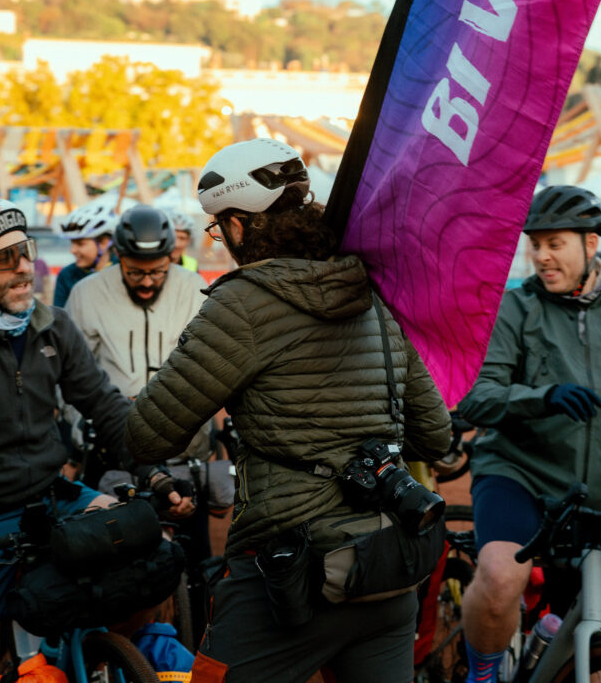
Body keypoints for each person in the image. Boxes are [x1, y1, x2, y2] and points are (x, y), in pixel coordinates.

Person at [125, 138, 451, 683]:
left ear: (236, 223)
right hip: (386, 567)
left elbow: (148, 436)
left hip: (289, 572)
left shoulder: (242, 303)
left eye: (217, 227)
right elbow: (434, 434)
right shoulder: (369, 290)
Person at [0, 197, 164, 683]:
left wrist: (155, 470)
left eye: (26, 251)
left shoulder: (54, 325)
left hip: (54, 499)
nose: (25, 267)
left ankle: (105, 660)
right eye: (5, 259)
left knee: (152, 562)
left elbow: (106, 408)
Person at [458, 185, 601, 683]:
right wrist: (541, 397)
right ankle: (484, 674)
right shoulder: (516, 307)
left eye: (555, 243)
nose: (541, 257)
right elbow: (475, 397)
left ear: (590, 244)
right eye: (535, 244)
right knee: (499, 576)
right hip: (521, 473)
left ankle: (553, 637)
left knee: (592, 646)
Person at [65, 205, 211, 559]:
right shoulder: (86, 294)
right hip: (113, 445)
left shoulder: (195, 288)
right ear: (118, 256)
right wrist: (78, 429)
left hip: (184, 441)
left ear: (172, 257)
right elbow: (70, 380)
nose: (147, 282)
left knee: (196, 551)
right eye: (135, 273)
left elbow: (210, 365)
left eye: (158, 272)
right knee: (117, 555)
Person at [53, 200, 118, 307]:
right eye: (72, 243)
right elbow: (61, 318)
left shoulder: (123, 271)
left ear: (103, 243)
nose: (72, 250)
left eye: (80, 244)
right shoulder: (67, 276)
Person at [163, 208, 199, 273]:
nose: (177, 244)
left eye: (182, 238)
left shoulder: (192, 264)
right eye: (173, 237)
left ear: (188, 241)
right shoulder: (153, 262)